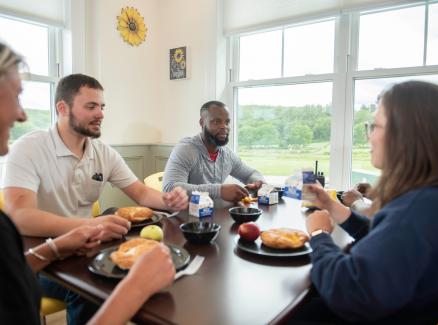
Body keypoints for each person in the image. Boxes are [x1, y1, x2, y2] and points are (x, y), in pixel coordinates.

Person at [0, 42, 175, 325]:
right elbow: (20, 217)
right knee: (93, 289)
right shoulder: (28, 148)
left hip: (84, 248)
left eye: (102, 106)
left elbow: (140, 192)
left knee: (115, 273)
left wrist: (173, 200)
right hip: (40, 262)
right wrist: (87, 226)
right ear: (62, 108)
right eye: (91, 106)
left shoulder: (102, 152)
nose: (101, 113)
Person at [291, 80, 438, 324]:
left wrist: (319, 234)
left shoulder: (417, 210)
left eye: (375, 126)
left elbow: (349, 291)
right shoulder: (434, 200)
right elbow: (386, 242)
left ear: (406, 136)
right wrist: (332, 205)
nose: (369, 136)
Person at [163, 100, 265, 202]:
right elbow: (169, 189)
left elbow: (251, 174)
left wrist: (258, 182)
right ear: (202, 123)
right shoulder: (186, 149)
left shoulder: (227, 154)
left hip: (213, 215)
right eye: (217, 121)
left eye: (227, 122)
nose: (224, 127)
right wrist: (219, 191)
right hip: (186, 215)